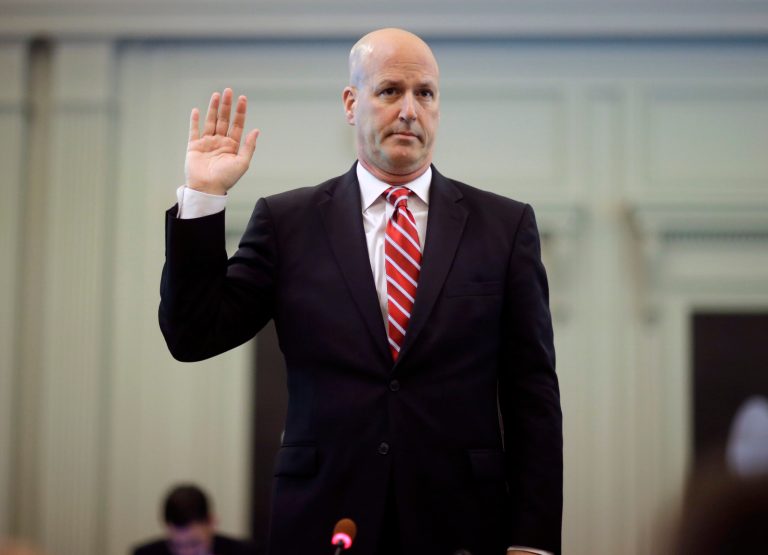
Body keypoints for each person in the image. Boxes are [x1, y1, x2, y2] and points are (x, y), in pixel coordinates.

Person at [159, 28, 562, 555]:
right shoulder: (288, 222)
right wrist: (203, 195)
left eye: (425, 93)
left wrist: (533, 542)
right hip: (325, 518)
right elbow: (193, 335)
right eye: (390, 91)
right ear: (351, 104)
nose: (410, 110)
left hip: (462, 522)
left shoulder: (504, 227)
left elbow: (533, 395)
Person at [132, 484, 255, 555]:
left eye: (194, 543)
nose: (187, 553)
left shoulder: (244, 553)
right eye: (177, 545)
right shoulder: (145, 554)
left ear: (212, 522)